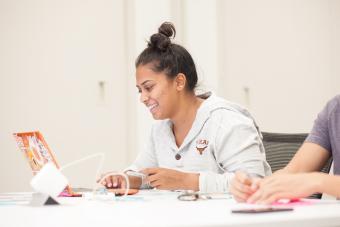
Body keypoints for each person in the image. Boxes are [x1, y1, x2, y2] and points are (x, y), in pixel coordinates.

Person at [101, 22, 271, 193]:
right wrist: (126, 179)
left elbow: (252, 183)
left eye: (149, 87)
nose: (143, 98)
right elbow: (144, 172)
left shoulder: (228, 122)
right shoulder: (160, 130)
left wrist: (186, 180)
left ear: (179, 82)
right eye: (140, 90)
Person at [230, 95, 340, 204]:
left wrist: (318, 181)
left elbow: (308, 180)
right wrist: (256, 187)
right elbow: (294, 172)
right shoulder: (335, 108)